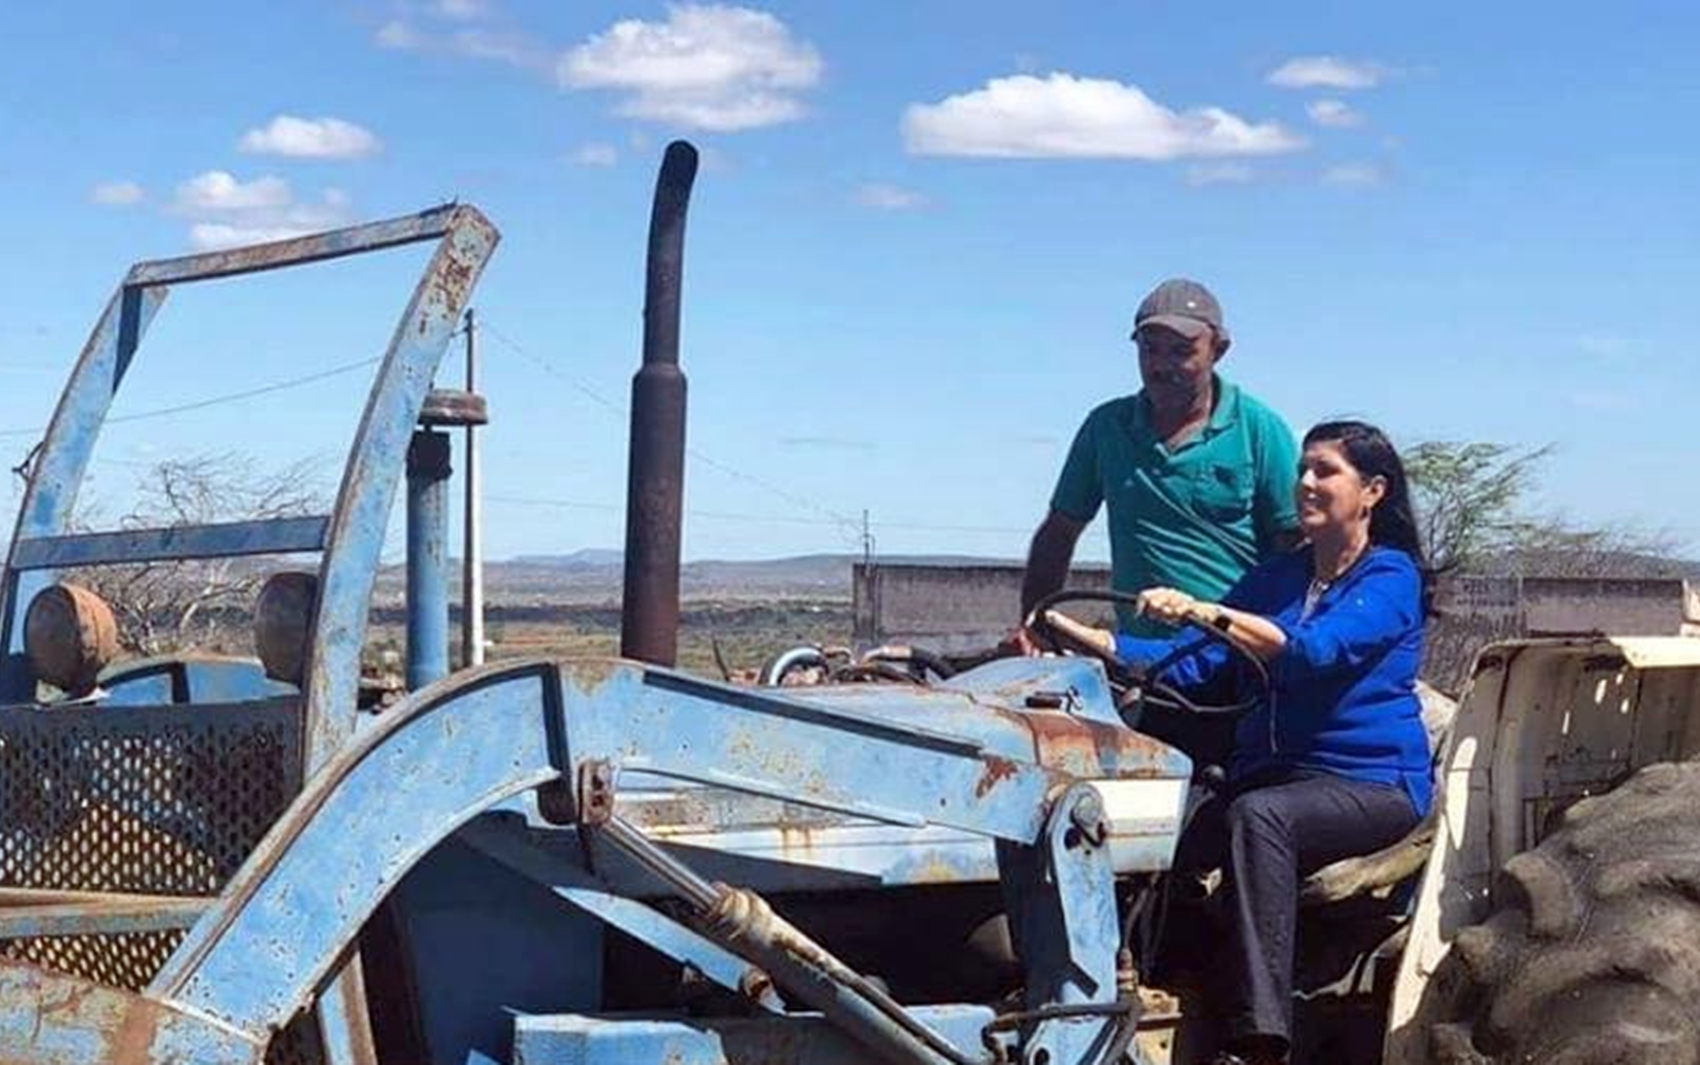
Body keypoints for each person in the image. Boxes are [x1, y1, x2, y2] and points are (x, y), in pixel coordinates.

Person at [1035, 420, 1431, 1065]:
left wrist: (1201, 609)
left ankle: (1260, 1039)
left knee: (1259, 817)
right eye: (1302, 469)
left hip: (1370, 785)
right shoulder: (1277, 579)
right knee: (1145, 817)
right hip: (1274, 777)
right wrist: (1097, 644)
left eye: (1325, 471)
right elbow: (1195, 662)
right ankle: (1122, 986)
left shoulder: (1390, 577)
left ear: (1373, 491)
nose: (1305, 483)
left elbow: (1314, 651)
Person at [1019, 278, 1302, 645]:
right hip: (1136, 650)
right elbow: (1059, 531)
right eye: (1150, 349)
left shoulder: (1259, 429)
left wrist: (1274, 641)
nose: (1161, 365)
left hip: (1232, 649)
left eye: (1181, 351)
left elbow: (1294, 545)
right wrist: (1035, 624)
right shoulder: (1107, 427)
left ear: (1218, 350)